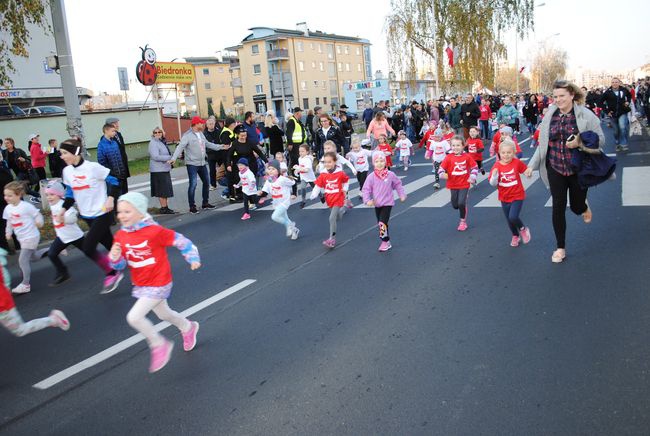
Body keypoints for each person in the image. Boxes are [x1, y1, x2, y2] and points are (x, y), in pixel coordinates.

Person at [109, 192, 200, 373]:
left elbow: (182, 241)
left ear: (140, 213)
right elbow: (120, 264)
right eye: (120, 212)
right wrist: (114, 257)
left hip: (159, 281)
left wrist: (192, 258)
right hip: (142, 283)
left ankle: (159, 344)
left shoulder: (154, 231)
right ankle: (188, 327)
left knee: (134, 317)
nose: (122, 216)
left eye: (127, 211)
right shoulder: (120, 236)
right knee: (163, 315)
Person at [525, 80, 604, 263]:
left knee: (576, 206)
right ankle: (560, 247)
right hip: (555, 167)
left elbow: (601, 140)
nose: (558, 100)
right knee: (558, 206)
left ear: (572, 95)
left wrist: (580, 142)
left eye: (562, 96)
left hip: (578, 169)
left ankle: (583, 206)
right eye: (555, 96)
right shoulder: (549, 116)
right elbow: (543, 144)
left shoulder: (586, 115)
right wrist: (532, 165)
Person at [58, 138, 125, 294]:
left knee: (88, 248)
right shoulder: (67, 171)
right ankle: (132, 257)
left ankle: (112, 273)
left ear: (75, 152)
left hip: (102, 212)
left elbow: (115, 181)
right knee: (109, 243)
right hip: (86, 215)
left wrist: (110, 198)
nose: (61, 156)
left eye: (64, 153)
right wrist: (63, 209)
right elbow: (69, 192)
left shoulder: (93, 168)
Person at [43, 180, 112, 286]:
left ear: (59, 194)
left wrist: (64, 220)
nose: (49, 197)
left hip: (75, 236)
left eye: (52, 194)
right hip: (62, 237)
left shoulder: (63, 205)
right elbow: (56, 224)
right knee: (52, 254)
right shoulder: (53, 205)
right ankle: (63, 273)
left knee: (90, 252)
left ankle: (109, 268)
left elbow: (73, 218)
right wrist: (58, 234)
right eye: (47, 195)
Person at [0, 248, 70, 336]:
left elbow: (3, 276)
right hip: (3, 300)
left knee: (20, 330)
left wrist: (6, 288)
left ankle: (54, 319)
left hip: (2, 305)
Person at [169, 116, 228, 214]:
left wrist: (221, 147)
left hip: (202, 163)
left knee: (206, 182)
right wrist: (173, 158)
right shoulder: (187, 135)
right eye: (201, 123)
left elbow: (208, 144)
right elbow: (180, 147)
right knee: (193, 184)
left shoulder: (201, 134)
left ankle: (205, 203)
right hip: (192, 164)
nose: (203, 124)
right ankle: (192, 207)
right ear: (196, 124)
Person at [3, 181, 48, 294]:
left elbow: (37, 215)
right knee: (34, 257)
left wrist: (39, 222)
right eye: (5, 195)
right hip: (21, 238)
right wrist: (8, 232)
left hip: (31, 236)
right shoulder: (8, 208)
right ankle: (53, 250)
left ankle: (25, 284)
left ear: (19, 195)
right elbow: (9, 221)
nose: (6, 198)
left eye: (10, 195)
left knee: (22, 260)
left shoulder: (26, 206)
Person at [488, 139, 532, 247]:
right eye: (503, 153)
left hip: (517, 195)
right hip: (504, 196)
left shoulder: (516, 162)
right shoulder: (496, 166)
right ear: (499, 153)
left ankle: (523, 229)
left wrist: (528, 173)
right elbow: (493, 183)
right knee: (509, 220)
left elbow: (526, 171)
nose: (506, 155)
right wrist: (494, 176)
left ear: (513, 153)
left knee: (513, 217)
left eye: (509, 153)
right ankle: (515, 236)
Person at [361, 153, 407, 252]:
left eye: (381, 161)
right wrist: (367, 200)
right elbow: (366, 189)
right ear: (373, 163)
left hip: (387, 203)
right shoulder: (371, 177)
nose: (379, 164)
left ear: (385, 162)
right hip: (377, 203)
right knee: (381, 223)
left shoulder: (390, 175)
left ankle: (384, 242)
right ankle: (387, 240)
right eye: (377, 161)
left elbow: (398, 184)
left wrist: (402, 195)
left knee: (382, 223)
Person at [309, 152, 350, 249]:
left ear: (335, 162)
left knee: (331, 218)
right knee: (337, 217)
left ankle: (332, 239)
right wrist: (314, 194)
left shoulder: (340, 173)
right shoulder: (323, 174)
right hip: (329, 199)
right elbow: (318, 185)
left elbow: (346, 181)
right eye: (325, 162)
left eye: (329, 162)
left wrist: (345, 189)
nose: (327, 164)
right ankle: (344, 209)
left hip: (338, 198)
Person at [439, 136, 478, 231]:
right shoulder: (448, 157)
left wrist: (472, 176)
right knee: (455, 205)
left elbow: (475, 167)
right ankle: (462, 204)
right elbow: (441, 169)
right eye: (453, 145)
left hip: (464, 184)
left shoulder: (467, 156)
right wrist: (442, 174)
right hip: (453, 184)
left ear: (463, 146)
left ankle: (462, 222)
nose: (455, 147)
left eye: (458, 145)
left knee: (461, 203)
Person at [258, 160, 299, 240]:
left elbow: (294, 183)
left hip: (284, 202)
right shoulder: (269, 181)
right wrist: (261, 194)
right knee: (285, 218)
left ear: (278, 170)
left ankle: (289, 225)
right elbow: (265, 192)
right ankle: (295, 230)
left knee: (275, 216)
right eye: (269, 169)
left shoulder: (282, 179)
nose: (271, 171)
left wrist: (294, 194)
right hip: (276, 202)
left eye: (273, 169)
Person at [225, 125, 268, 203]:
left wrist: (266, 161)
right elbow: (229, 155)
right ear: (238, 135)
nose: (243, 137)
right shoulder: (235, 143)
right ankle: (244, 198)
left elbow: (259, 152)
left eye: (245, 135)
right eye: (241, 135)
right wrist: (228, 165)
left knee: (251, 181)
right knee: (243, 182)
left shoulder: (250, 142)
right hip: (241, 166)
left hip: (251, 164)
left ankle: (253, 199)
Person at [2, 137, 39, 202]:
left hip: (23, 172)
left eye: (7, 143)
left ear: (12, 143)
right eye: (5, 143)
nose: (6, 145)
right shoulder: (4, 152)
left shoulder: (19, 151)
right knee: (25, 190)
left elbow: (29, 160)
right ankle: (38, 196)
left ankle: (20, 202)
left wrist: (24, 160)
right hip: (14, 173)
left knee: (15, 186)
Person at [601, 77, 632, 152]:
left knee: (623, 127)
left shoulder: (624, 90)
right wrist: (607, 111)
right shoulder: (607, 92)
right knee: (616, 131)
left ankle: (623, 144)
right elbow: (600, 102)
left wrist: (628, 101)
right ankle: (617, 142)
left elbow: (629, 95)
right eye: (613, 82)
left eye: (616, 82)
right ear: (611, 83)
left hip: (622, 112)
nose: (614, 83)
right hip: (612, 114)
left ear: (619, 83)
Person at [148, 127, 175, 214]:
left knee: (165, 190)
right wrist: (170, 157)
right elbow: (155, 156)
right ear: (153, 134)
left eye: (159, 132)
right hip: (158, 170)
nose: (157, 133)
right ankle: (164, 208)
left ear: (163, 133)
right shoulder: (153, 143)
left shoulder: (162, 142)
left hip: (164, 169)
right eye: (155, 132)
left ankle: (166, 207)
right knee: (161, 190)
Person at [97, 123, 129, 195]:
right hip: (111, 175)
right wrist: (111, 172)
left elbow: (119, 158)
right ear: (106, 131)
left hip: (121, 174)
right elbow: (101, 161)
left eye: (115, 131)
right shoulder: (101, 144)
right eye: (113, 131)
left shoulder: (114, 143)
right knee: (114, 196)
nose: (115, 133)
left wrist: (122, 171)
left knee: (123, 195)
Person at [105, 117, 130, 192]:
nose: (117, 125)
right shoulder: (106, 138)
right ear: (110, 125)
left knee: (125, 189)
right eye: (115, 123)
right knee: (118, 191)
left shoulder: (118, 134)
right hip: (115, 169)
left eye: (117, 123)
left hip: (122, 167)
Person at [285, 108, 307, 182]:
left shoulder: (297, 121)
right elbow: (289, 133)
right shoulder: (292, 121)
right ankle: (295, 176)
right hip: (294, 144)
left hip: (299, 144)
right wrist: (290, 143)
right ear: (297, 113)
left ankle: (298, 175)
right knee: (294, 160)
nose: (302, 114)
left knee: (298, 160)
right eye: (301, 112)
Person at [293, 144, 316, 208]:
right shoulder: (299, 158)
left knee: (315, 188)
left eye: (302, 151)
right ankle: (303, 201)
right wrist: (296, 171)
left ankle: (321, 196)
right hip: (303, 177)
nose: (300, 153)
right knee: (302, 188)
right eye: (299, 151)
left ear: (307, 152)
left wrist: (298, 168)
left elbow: (307, 170)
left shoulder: (308, 159)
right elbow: (301, 166)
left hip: (310, 177)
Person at [203, 117, 222, 191]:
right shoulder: (204, 134)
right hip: (210, 154)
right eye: (210, 124)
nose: (211, 125)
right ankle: (213, 184)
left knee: (222, 168)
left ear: (214, 124)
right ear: (207, 125)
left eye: (212, 124)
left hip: (219, 153)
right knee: (212, 170)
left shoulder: (218, 132)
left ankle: (224, 181)